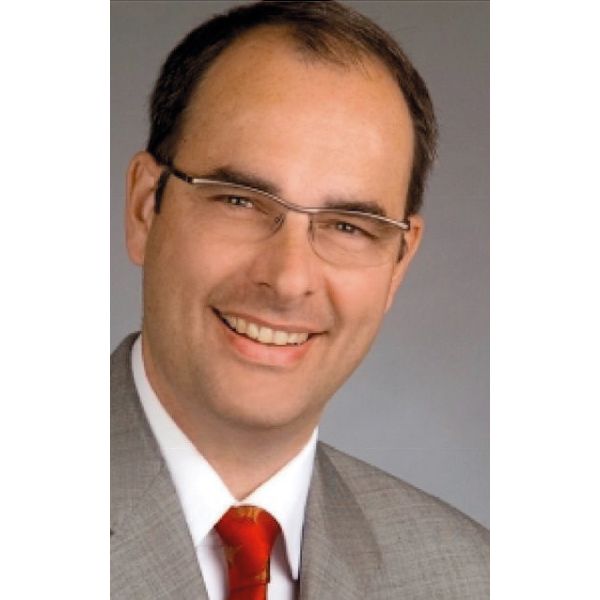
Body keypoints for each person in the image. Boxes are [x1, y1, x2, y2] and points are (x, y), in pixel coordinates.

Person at [111, 1, 489, 598]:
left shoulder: (472, 578)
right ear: (144, 209)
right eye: (239, 200)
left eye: (348, 226)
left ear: (399, 264)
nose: (288, 280)